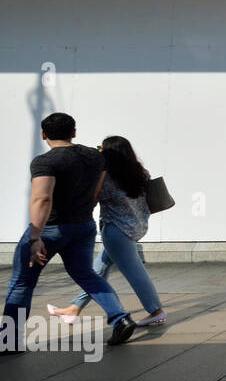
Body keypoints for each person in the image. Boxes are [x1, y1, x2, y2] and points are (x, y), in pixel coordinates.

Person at [3, 113, 135, 352]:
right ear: (73, 132)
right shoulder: (96, 157)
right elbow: (95, 192)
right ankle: (120, 318)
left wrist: (35, 237)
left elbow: (42, 198)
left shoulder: (45, 162)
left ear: (44, 135)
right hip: (83, 226)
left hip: (51, 229)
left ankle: (8, 341)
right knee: (86, 274)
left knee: (22, 281)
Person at [48, 136, 166, 327]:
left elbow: (92, 197)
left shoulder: (106, 178)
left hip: (115, 232)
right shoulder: (141, 173)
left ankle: (156, 310)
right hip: (136, 228)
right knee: (97, 270)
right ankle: (74, 309)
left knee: (135, 273)